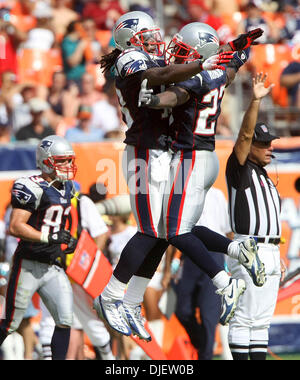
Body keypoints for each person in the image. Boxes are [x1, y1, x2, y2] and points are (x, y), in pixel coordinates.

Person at [93, 11, 263, 342]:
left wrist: (227, 50)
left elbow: (192, 64)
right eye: (148, 37)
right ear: (131, 40)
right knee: (151, 230)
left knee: (163, 233)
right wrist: (210, 62)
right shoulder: (131, 58)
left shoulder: (150, 57)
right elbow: (169, 74)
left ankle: (130, 301)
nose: (156, 42)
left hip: (165, 151)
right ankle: (111, 296)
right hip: (143, 151)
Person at [137, 22, 266, 328]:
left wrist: (153, 101)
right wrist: (240, 45)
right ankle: (237, 248)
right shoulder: (221, 73)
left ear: (200, 54)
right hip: (204, 156)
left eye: (184, 51)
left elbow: (176, 97)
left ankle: (224, 283)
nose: (178, 56)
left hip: (190, 157)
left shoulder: (195, 78)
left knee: (175, 232)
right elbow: (233, 63)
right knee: (185, 227)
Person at [0, 135, 78, 360]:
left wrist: (67, 239)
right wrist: (50, 236)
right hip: (28, 264)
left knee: (64, 320)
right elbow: (15, 226)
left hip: (52, 265)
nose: (67, 166)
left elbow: (58, 221)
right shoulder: (31, 186)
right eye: (62, 161)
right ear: (47, 161)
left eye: (69, 160)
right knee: (10, 323)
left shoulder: (67, 187)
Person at [225, 72, 286, 360]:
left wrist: (277, 252)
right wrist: (256, 101)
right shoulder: (240, 168)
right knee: (244, 317)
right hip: (249, 248)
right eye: (264, 144)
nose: (270, 148)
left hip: (270, 250)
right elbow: (245, 136)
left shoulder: (263, 175)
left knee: (261, 322)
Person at [38, 185, 115, 361]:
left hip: (75, 272)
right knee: (49, 318)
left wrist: (86, 263)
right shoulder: (39, 198)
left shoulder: (80, 201)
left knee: (89, 320)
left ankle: (109, 358)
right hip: (49, 268)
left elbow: (101, 234)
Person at [174, 186, 233, 360]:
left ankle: (205, 354)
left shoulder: (216, 194)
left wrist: (230, 262)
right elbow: (172, 230)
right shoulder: (181, 193)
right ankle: (203, 343)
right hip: (189, 254)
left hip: (213, 254)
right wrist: (172, 262)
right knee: (182, 309)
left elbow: (228, 230)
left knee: (209, 313)